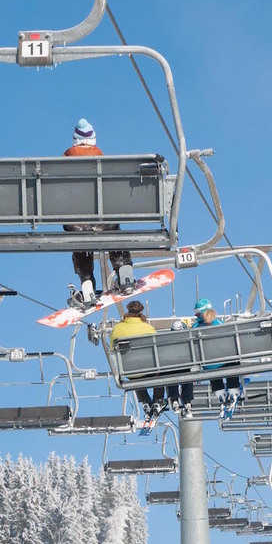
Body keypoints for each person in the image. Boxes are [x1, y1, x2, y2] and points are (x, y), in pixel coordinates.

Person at [62, 119, 136, 308]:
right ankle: (124, 273)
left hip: (76, 223)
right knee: (113, 233)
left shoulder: (61, 163)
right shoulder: (103, 162)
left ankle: (87, 283)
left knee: (80, 244)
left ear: (75, 141)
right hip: (103, 221)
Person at [185, 299, 242, 415]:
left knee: (210, 365)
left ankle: (220, 394)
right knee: (233, 361)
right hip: (225, 361)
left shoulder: (195, 328)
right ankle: (233, 390)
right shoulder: (220, 324)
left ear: (200, 313)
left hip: (209, 365)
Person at [109, 300, 162, 424]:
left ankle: (144, 401)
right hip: (149, 370)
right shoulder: (149, 329)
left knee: (134, 370)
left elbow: (112, 349)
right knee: (158, 371)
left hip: (130, 372)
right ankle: (158, 400)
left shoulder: (117, 329)